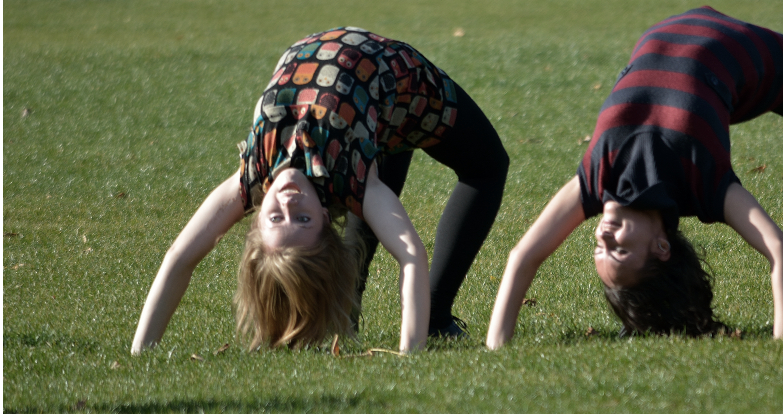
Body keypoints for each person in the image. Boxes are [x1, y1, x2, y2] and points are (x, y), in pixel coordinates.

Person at [487, 6, 783, 348]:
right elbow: (780, 249)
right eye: (619, 250)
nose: (602, 236)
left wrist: (495, 349)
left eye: (599, 251)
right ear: (661, 246)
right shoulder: (702, 181)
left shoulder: (598, 178)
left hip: (685, 47)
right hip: (740, 57)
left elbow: (523, 256)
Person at [132, 27, 508, 354]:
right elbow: (410, 255)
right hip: (367, 96)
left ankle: (391, 314)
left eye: (276, 216)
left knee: (462, 166)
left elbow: (180, 256)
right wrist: (410, 356)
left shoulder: (253, 174)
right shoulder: (351, 179)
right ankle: (384, 317)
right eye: (303, 218)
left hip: (389, 68)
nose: (288, 201)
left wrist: (139, 352)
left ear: (256, 215)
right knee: (381, 180)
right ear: (326, 216)